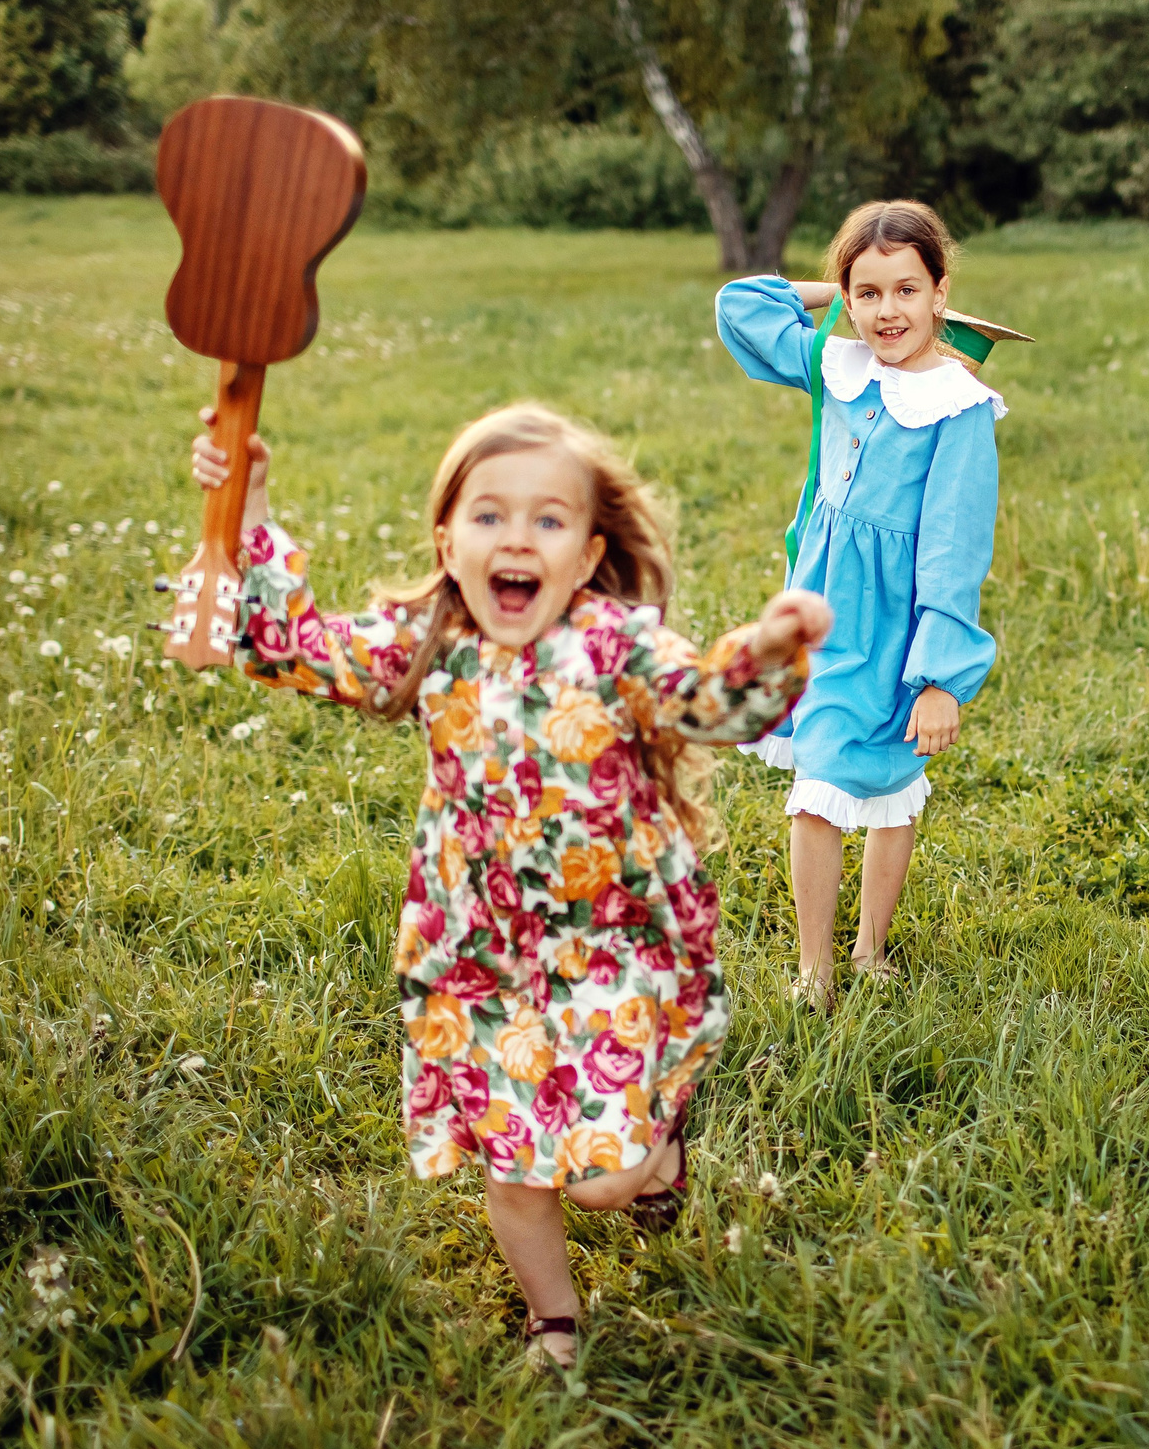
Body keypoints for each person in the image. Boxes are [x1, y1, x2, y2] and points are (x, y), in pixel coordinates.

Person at [189, 401, 831, 1366]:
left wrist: (774, 645)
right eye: (488, 516)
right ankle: (555, 1317)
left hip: (611, 945)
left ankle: (655, 1144)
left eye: (546, 518)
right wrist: (249, 503)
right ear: (448, 541)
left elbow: (712, 703)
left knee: (602, 1182)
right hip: (475, 960)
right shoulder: (432, 643)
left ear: (584, 551)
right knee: (518, 1159)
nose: (515, 538)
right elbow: (294, 645)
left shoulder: (616, 644)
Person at [715, 200, 1005, 999]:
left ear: (941, 293)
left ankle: (870, 950)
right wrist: (829, 291)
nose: (887, 311)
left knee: (891, 787)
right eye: (868, 292)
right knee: (819, 778)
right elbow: (740, 307)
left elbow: (954, 548)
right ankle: (814, 970)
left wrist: (942, 676)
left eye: (907, 290)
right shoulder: (836, 367)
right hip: (821, 614)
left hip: (900, 624)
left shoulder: (958, 408)